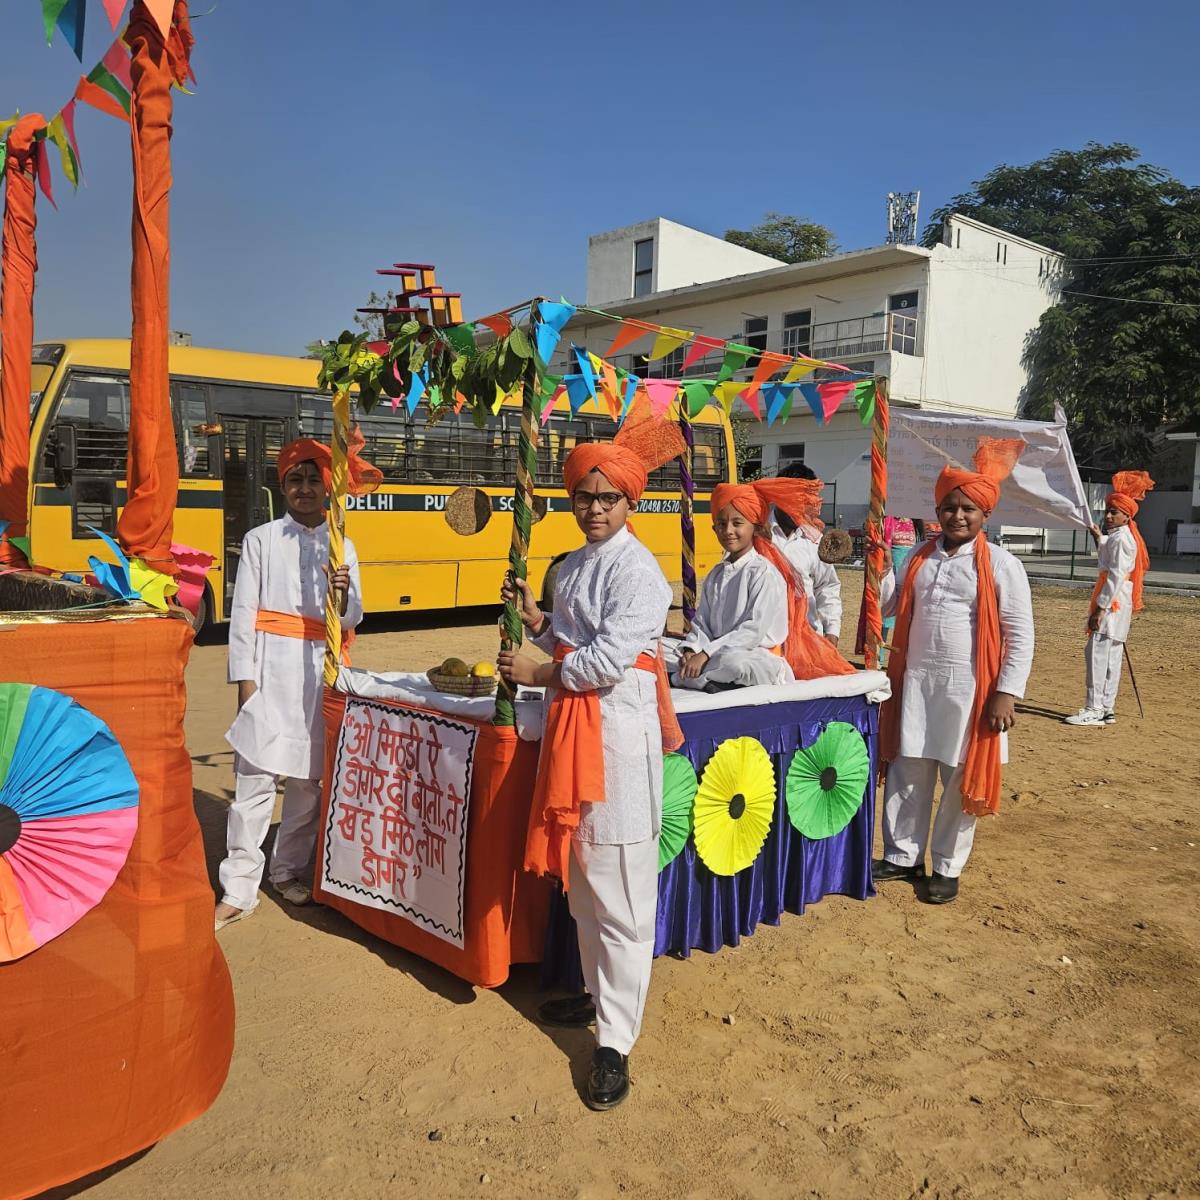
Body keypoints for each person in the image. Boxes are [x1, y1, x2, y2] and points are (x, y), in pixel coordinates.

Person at [499, 442, 681, 1112]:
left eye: (608, 498)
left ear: (630, 502)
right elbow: (571, 640)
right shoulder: (573, 565)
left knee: (622, 899)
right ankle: (602, 997)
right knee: (583, 892)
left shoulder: (640, 572)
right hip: (572, 741)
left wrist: (540, 670)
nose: (595, 508)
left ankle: (615, 1043)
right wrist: (538, 621)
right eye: (584, 496)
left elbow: (603, 661)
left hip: (615, 747)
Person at [214, 434, 378, 932]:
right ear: (282, 486)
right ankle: (239, 888)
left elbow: (352, 618)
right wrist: (246, 682)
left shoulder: (342, 543)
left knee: (308, 782)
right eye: (295, 480)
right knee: (254, 781)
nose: (305, 488)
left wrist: (342, 593)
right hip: (269, 671)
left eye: (313, 480)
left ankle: (285, 870)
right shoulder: (261, 540)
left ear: (328, 487)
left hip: (318, 672)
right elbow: (244, 616)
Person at [873, 440, 1034, 905]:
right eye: (949, 508)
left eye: (967, 509)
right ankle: (902, 855)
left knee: (960, 778)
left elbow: (1020, 633)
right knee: (908, 768)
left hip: (972, 690)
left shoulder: (1002, 565)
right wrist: (876, 567)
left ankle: (946, 865)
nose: (957, 516)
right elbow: (886, 605)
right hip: (916, 682)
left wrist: (1006, 692)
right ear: (937, 512)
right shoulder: (918, 558)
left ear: (985, 514)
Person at [673, 478, 856, 690]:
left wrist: (706, 653)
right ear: (714, 528)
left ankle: (701, 676)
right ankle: (702, 675)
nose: (728, 531)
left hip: (758, 655)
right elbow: (702, 622)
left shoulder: (764, 572)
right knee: (667, 650)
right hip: (718, 651)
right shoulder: (716, 575)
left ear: (755, 527)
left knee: (734, 663)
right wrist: (692, 649)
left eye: (737, 523)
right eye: (721, 524)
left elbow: (753, 630)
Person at [1064, 471, 1154, 727]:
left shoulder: (1122, 539)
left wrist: (1101, 609)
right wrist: (1098, 538)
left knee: (1097, 653)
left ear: (1127, 516)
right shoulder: (1118, 537)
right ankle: (1106, 708)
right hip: (1117, 600)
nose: (1108, 516)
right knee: (1111, 655)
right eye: (1107, 511)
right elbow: (1109, 556)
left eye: (1114, 512)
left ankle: (1094, 708)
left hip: (1113, 602)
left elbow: (1115, 574)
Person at [769, 462, 842, 645]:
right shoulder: (754, 534)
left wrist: (832, 630)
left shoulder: (814, 540)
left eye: (806, 503)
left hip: (807, 640)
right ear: (779, 497)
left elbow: (827, 586)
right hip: (765, 642)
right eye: (794, 502)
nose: (801, 510)